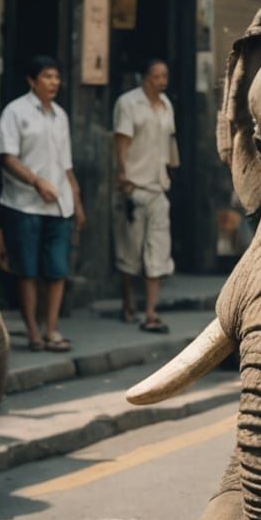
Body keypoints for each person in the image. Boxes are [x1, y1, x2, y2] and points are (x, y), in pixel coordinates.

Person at [0, 56, 84, 353]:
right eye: (47, 76)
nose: (54, 82)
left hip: (59, 205)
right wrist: (36, 181)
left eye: (56, 77)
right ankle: (33, 332)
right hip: (24, 205)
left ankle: (52, 329)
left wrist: (76, 199)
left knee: (57, 270)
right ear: (32, 81)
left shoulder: (60, 115)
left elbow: (66, 165)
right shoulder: (15, 112)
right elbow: (7, 157)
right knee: (27, 271)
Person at [113, 57, 180, 333]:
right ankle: (128, 301)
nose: (162, 81)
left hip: (158, 186)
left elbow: (170, 140)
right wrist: (121, 175)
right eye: (156, 76)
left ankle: (151, 311)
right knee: (130, 251)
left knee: (158, 250)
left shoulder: (166, 105)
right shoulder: (128, 103)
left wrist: (172, 169)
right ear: (145, 78)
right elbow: (121, 141)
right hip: (134, 186)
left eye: (164, 76)